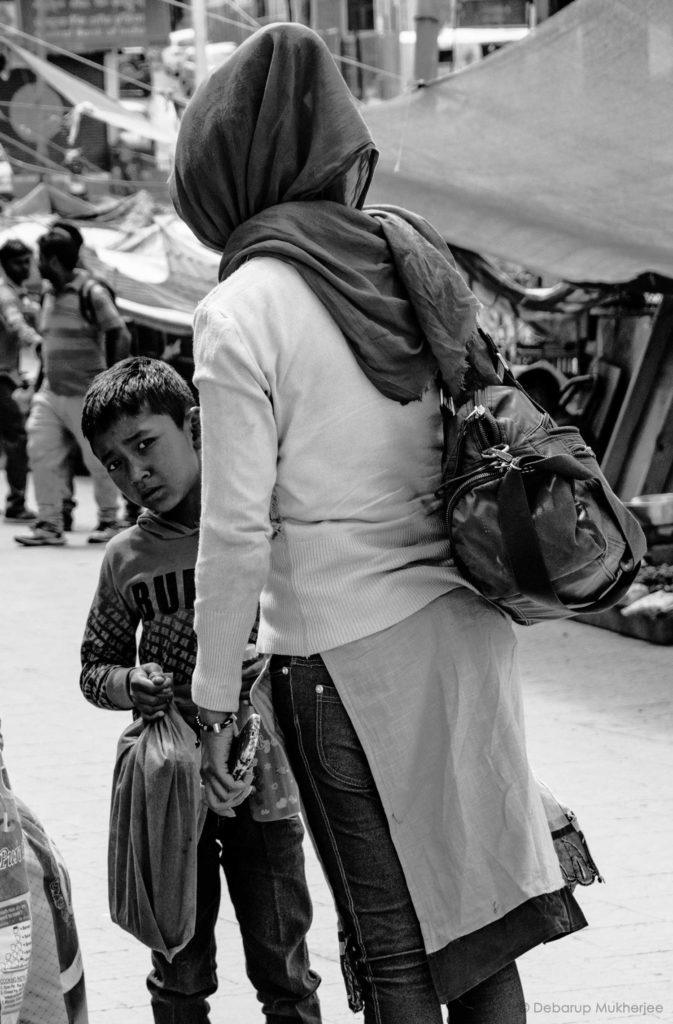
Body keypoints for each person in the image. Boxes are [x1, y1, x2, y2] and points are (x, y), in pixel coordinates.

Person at [169, 23, 589, 1024]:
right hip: (465, 629)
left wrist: (214, 700)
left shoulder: (241, 310)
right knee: (484, 924)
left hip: (343, 654)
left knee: (393, 943)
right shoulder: (407, 253)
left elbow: (234, 533)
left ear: (226, 167)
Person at [79, 356, 322, 1024]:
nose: (135, 473)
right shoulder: (126, 558)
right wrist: (130, 683)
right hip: (169, 789)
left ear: (193, 426)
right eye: (114, 464)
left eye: (144, 445)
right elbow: (92, 669)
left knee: (285, 968)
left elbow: (317, 623)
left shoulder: (259, 523)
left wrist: (264, 653)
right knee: (178, 969)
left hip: (263, 781)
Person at [15, 224, 131, 546]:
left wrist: (111, 383)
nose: (36, 264)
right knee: (40, 452)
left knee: (98, 460)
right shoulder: (48, 294)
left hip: (86, 393)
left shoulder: (91, 291)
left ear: (51, 260)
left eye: (40, 258)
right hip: (51, 393)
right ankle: (49, 524)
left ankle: (110, 520)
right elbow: (49, 345)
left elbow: (119, 333)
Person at [0, 239, 41, 522]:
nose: (25, 267)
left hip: (8, 375)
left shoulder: (19, 293)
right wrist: (39, 342)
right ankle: (16, 503)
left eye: (28, 261)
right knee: (17, 437)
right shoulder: (6, 295)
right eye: (19, 262)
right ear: (5, 264)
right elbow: (16, 324)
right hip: (1, 377)